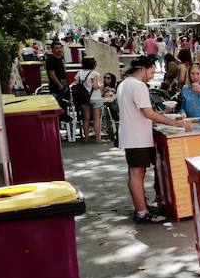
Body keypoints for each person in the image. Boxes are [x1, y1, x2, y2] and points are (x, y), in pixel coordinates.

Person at [118, 56, 184, 224]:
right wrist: (173, 123)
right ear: (143, 69)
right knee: (137, 173)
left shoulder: (124, 83)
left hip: (131, 135)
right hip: (137, 136)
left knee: (134, 173)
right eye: (152, 72)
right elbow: (147, 112)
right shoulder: (138, 86)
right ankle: (142, 212)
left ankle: (141, 207)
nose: (152, 76)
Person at [73, 59, 105, 142]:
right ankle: (97, 138)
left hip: (83, 98)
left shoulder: (79, 73)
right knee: (96, 119)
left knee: (86, 119)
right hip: (95, 97)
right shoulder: (94, 74)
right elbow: (95, 86)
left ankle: (86, 137)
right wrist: (100, 85)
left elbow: (77, 83)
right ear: (94, 65)